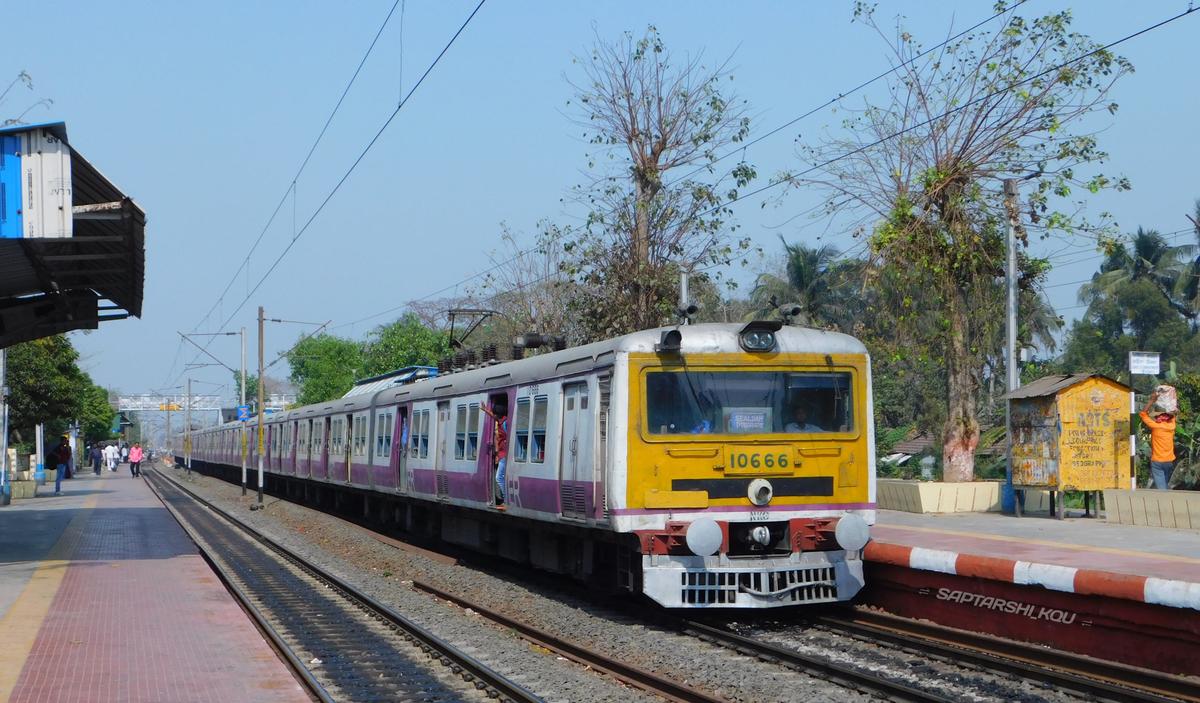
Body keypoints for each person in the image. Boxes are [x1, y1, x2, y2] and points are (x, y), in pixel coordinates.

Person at [1140, 391, 1177, 489]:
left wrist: (1152, 400)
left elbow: (1143, 414)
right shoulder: (1172, 426)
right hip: (1169, 461)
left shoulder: (1155, 426)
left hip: (1157, 462)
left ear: (1158, 418)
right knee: (1165, 486)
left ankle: (1165, 503)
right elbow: (1173, 414)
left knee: (1162, 490)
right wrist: (1172, 399)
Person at [481, 402, 508, 507]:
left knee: (499, 477)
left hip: (504, 454)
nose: (494, 415)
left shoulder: (505, 423)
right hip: (502, 453)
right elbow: (493, 416)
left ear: (499, 414)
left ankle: (506, 500)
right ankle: (505, 499)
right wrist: (486, 410)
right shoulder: (501, 421)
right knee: (501, 476)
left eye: (495, 414)